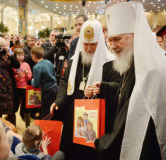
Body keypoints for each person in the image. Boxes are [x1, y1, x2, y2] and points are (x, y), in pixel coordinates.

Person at [94, 2, 166, 160]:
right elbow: (125, 95)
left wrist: (100, 144)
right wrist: (106, 88)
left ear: (136, 35)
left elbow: (132, 119)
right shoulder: (131, 61)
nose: (112, 46)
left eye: (117, 39)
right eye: (109, 40)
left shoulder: (149, 70)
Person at [50, 20, 120, 160]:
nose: (88, 48)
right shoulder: (75, 60)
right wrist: (59, 101)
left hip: (95, 120)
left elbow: (118, 88)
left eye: (92, 44)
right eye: (85, 44)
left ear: (100, 42)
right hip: (73, 116)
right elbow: (65, 81)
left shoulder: (110, 62)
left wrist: (101, 88)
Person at [31, 46, 58, 119]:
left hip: (47, 91)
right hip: (55, 88)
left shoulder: (36, 67)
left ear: (34, 56)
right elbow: (54, 74)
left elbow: (36, 85)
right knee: (54, 109)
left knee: (45, 112)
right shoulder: (49, 62)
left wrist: (32, 81)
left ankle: (45, 128)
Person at [13, 48, 32, 128]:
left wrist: (27, 75)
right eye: (19, 55)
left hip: (24, 88)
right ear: (15, 56)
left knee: (26, 107)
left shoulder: (26, 65)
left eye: (22, 55)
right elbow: (11, 77)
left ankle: (28, 126)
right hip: (16, 88)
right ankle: (13, 125)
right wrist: (17, 76)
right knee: (14, 107)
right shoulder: (13, 65)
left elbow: (30, 77)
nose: (21, 57)